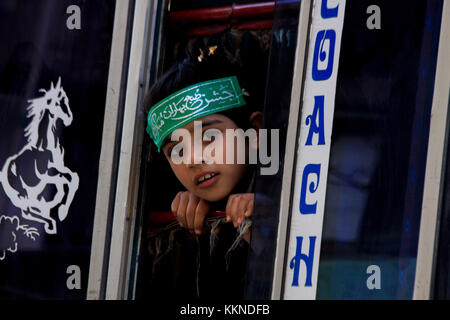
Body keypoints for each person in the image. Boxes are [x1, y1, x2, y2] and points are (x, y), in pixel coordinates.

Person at [144, 45, 266, 300]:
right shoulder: (179, 230)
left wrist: (266, 227)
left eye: (208, 137)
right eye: (176, 150)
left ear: (254, 132)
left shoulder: (289, 199)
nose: (192, 159)